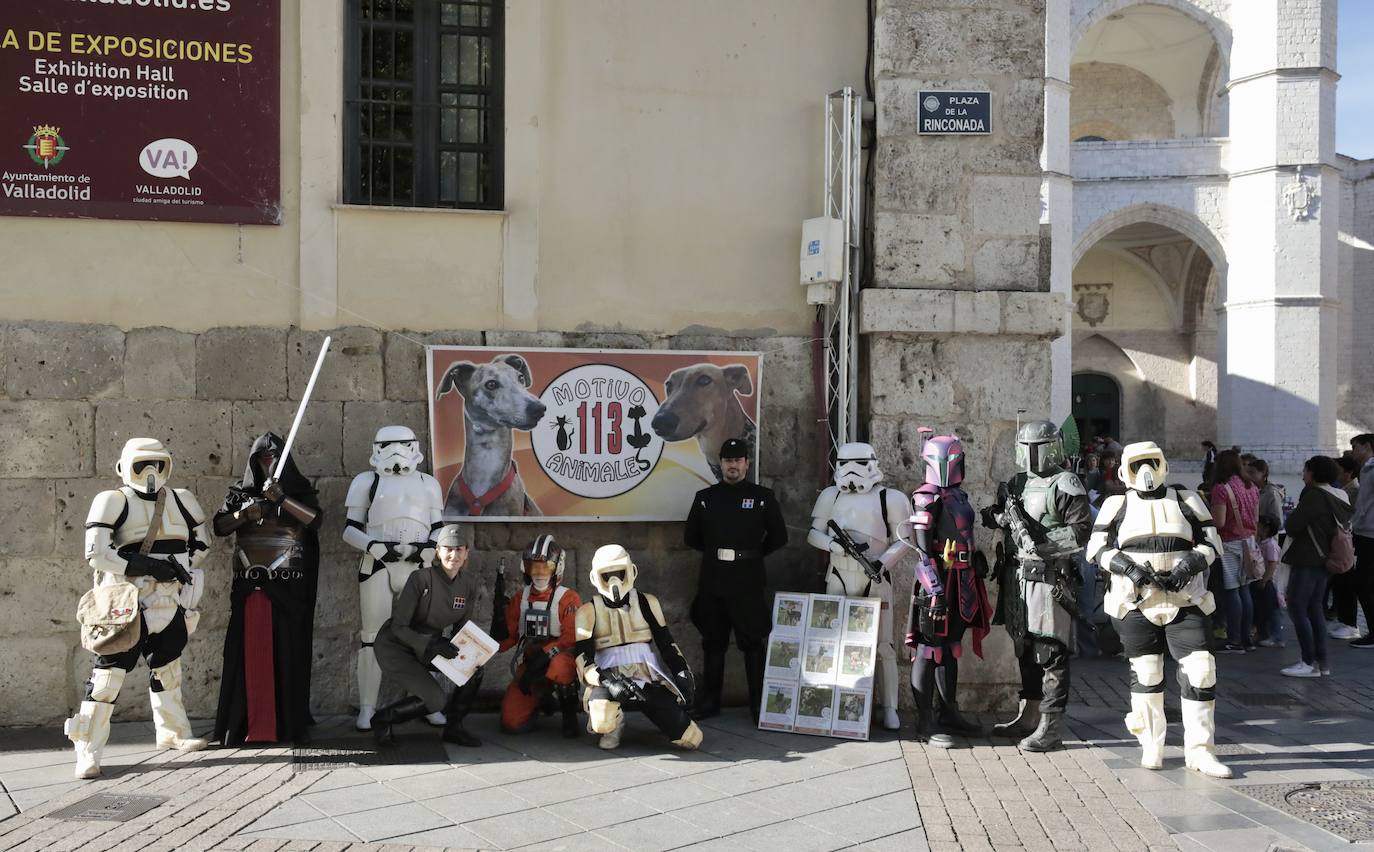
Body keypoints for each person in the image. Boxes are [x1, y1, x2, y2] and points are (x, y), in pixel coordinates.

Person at [1087, 441, 1231, 778]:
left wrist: (1190, 564)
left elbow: (1212, 543)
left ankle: (1200, 751)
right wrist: (1127, 567)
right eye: (1139, 464)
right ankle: (1152, 743)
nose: (1147, 471)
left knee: (1201, 669)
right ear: (1125, 470)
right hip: (1136, 600)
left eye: (1151, 462)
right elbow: (1096, 547)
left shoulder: (1187, 499)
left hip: (1185, 599)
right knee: (1148, 672)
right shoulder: (1116, 504)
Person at [68, 439, 210, 779]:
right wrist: (146, 565)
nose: (151, 473)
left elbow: (201, 543)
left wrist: (180, 565)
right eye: (142, 464)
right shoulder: (112, 501)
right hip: (126, 601)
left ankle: (172, 731)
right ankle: (87, 748)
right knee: (108, 675)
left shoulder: (181, 500)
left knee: (168, 664)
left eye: (158, 465)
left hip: (170, 597)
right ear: (124, 467)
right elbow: (98, 554)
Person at [982, 421, 1091, 752]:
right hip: (1016, 576)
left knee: (1050, 650)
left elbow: (1080, 531)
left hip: (1049, 576)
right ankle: (1028, 714)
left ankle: (1051, 725)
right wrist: (998, 518)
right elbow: (992, 514)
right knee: (1024, 646)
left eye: (1038, 446)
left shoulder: (1066, 483)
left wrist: (1040, 544)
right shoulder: (1017, 482)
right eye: (1026, 447)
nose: (1031, 455)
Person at [211, 432, 322, 746]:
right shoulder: (240, 494)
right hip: (251, 587)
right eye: (263, 458)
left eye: (274, 457)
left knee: (288, 654)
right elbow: (219, 526)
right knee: (247, 654)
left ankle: (286, 725)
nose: (269, 463)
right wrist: (245, 513)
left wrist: (282, 500)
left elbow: (314, 521)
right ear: (254, 462)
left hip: (289, 590)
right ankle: (244, 723)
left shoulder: (299, 491)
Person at [343, 425, 445, 730]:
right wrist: (376, 547)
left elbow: (438, 525)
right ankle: (367, 707)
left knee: (424, 635)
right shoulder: (366, 481)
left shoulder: (428, 483)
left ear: (414, 447)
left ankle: (429, 703)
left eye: (403, 445)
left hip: (418, 566)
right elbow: (350, 528)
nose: (396, 451)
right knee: (372, 637)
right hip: (377, 565)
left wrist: (425, 550)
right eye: (389, 445)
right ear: (376, 448)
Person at [807, 442, 911, 730]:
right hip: (838, 575)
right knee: (831, 642)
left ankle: (889, 706)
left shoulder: (889, 498)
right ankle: (833, 703)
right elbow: (814, 533)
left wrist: (881, 564)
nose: (851, 471)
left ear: (872, 464)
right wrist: (832, 545)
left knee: (883, 646)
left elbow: (904, 539)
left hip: (874, 577)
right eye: (845, 463)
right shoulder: (831, 496)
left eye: (859, 463)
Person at [684, 438, 788, 719]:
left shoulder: (762, 497)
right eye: (728, 460)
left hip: (748, 581)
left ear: (747, 463)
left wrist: (751, 555)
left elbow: (779, 537)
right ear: (721, 463)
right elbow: (691, 538)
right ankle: (710, 702)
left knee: (753, 643)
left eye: (738, 460)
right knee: (713, 641)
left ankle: (757, 703)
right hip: (714, 580)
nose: (733, 465)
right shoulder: (705, 498)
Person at [907, 432, 993, 747]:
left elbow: (964, 536)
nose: (958, 464)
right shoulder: (925, 497)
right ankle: (925, 721)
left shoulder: (958, 495)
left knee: (952, 647)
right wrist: (935, 589)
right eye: (955, 458)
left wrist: (976, 561)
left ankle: (948, 712)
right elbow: (922, 552)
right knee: (930, 649)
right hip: (939, 583)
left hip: (962, 580)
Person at [575, 544, 702, 750]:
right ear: (595, 577)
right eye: (607, 575)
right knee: (601, 717)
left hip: (647, 678)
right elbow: (582, 660)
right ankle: (613, 725)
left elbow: (666, 643)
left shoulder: (647, 603)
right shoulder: (587, 611)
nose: (614, 580)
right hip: (610, 679)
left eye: (619, 573)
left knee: (691, 738)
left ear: (631, 571)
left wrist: (681, 671)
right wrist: (608, 682)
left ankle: (665, 719)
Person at [370, 524, 485, 745]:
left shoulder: (468, 584)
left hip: (431, 646)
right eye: (448, 549)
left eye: (459, 549)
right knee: (436, 700)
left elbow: (462, 629)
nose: (453, 555)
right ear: (437, 552)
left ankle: (454, 728)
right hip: (397, 646)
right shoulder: (420, 578)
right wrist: (432, 644)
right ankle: (382, 720)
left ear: (466, 553)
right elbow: (399, 627)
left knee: (475, 669)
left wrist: (474, 653)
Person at [496, 535, 583, 737]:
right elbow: (509, 637)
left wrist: (546, 654)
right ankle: (541, 698)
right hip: (532, 660)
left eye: (546, 567)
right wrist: (483, 648)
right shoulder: (521, 598)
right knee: (511, 722)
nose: (540, 573)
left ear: (557, 568)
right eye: (534, 567)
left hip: (560, 657)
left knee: (561, 666)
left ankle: (569, 715)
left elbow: (570, 639)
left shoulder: (568, 598)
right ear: (525, 568)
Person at [1279, 456, 1353, 676]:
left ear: (1312, 473)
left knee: (1298, 607)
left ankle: (1308, 661)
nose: (1302, 475)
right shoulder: (1339, 495)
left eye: (1305, 470)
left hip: (1308, 558)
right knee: (1314, 609)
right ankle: (1322, 663)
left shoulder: (1315, 496)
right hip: (1325, 559)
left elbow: (1291, 526)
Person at [1210, 449, 1259, 653]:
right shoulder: (1251, 486)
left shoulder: (1222, 489)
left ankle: (1235, 640)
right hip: (1249, 541)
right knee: (1245, 590)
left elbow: (1219, 521)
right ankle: (1247, 638)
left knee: (1232, 592)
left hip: (1230, 543)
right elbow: (1255, 518)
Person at [1349, 435, 1374, 649]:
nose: (1353, 452)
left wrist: (1356, 521)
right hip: (1366, 531)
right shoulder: (1366, 469)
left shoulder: (1370, 469)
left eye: (1356, 447)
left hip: (1368, 533)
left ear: (1367, 447)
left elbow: (1365, 502)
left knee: (1363, 583)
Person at [1251, 514, 1285, 649]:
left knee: (1273, 610)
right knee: (1263, 609)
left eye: (1258, 526)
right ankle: (1264, 634)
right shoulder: (1261, 543)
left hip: (1271, 582)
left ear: (1265, 529)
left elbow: (1272, 564)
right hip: (1265, 580)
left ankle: (1276, 637)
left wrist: (1265, 579)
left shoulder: (1270, 545)